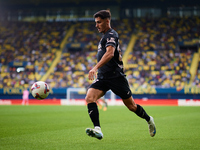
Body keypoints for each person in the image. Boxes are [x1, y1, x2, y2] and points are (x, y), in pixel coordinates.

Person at [85, 10, 156, 140]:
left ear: (107, 21)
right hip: (103, 77)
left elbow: (110, 53)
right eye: (96, 22)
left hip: (116, 77)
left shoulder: (112, 34)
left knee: (131, 106)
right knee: (89, 97)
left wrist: (95, 67)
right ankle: (98, 129)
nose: (96, 25)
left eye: (99, 22)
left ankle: (149, 119)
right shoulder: (103, 38)